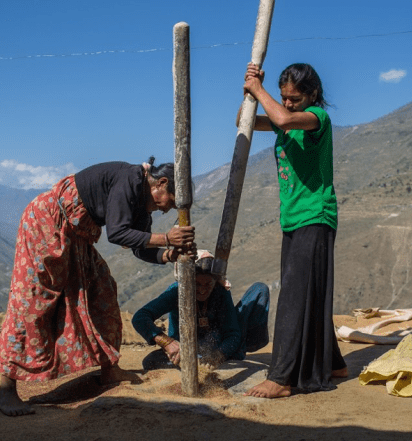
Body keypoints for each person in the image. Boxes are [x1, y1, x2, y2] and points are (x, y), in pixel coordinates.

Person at [0, 158, 195, 416]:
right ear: (162, 183)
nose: (168, 210)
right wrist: (166, 238)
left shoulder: (143, 205)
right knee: (32, 302)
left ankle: (109, 370)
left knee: (102, 288)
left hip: (78, 234)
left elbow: (139, 245)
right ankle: (6, 389)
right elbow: (117, 233)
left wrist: (168, 254)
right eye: (172, 201)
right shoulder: (130, 180)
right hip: (47, 224)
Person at [240, 62, 347, 399]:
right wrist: (249, 92)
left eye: (294, 99)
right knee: (306, 292)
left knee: (293, 298)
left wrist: (260, 90)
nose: (287, 105)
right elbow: (244, 122)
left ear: (312, 95)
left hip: (314, 216)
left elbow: (282, 119)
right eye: (284, 98)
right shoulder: (286, 118)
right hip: (293, 218)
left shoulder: (316, 118)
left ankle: (282, 377)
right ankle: (332, 362)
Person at [132, 250, 270, 370]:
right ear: (187, 281)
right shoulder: (176, 292)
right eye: (196, 284)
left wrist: (218, 355)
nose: (202, 290)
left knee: (260, 289)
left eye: (207, 284)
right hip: (185, 348)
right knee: (150, 362)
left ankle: (232, 353)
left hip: (218, 344)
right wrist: (167, 342)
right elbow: (140, 317)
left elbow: (232, 333)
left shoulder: (220, 291)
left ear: (215, 282)